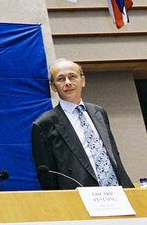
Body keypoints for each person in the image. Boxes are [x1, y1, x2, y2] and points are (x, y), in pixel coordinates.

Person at [31, 58, 133, 189]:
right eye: (61, 79)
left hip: (118, 191)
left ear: (83, 81)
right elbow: (47, 176)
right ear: (53, 86)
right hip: (79, 196)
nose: (68, 83)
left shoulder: (99, 112)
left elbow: (113, 156)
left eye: (72, 77)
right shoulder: (44, 124)